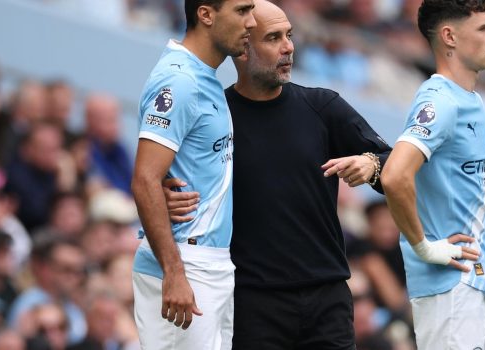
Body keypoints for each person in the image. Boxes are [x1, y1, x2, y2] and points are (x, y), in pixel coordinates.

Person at [164, 1, 391, 348]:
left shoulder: (323, 106)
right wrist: (169, 196)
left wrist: (372, 164)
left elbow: (395, 162)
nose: (288, 47)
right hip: (252, 304)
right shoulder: (213, 115)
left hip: (327, 299)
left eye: (289, 35)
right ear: (243, 48)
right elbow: (170, 183)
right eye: (273, 38)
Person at [379, 1, 485, 349]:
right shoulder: (440, 102)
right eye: (484, 28)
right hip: (451, 288)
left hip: (483, 280)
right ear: (449, 36)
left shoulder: (470, 100)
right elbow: (396, 175)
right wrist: (424, 247)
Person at [129, 1, 256, 349]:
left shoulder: (204, 76)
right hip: (184, 261)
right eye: (242, 11)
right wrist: (174, 272)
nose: (252, 22)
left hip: (210, 263)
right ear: (206, 15)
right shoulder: (180, 80)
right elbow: (144, 179)